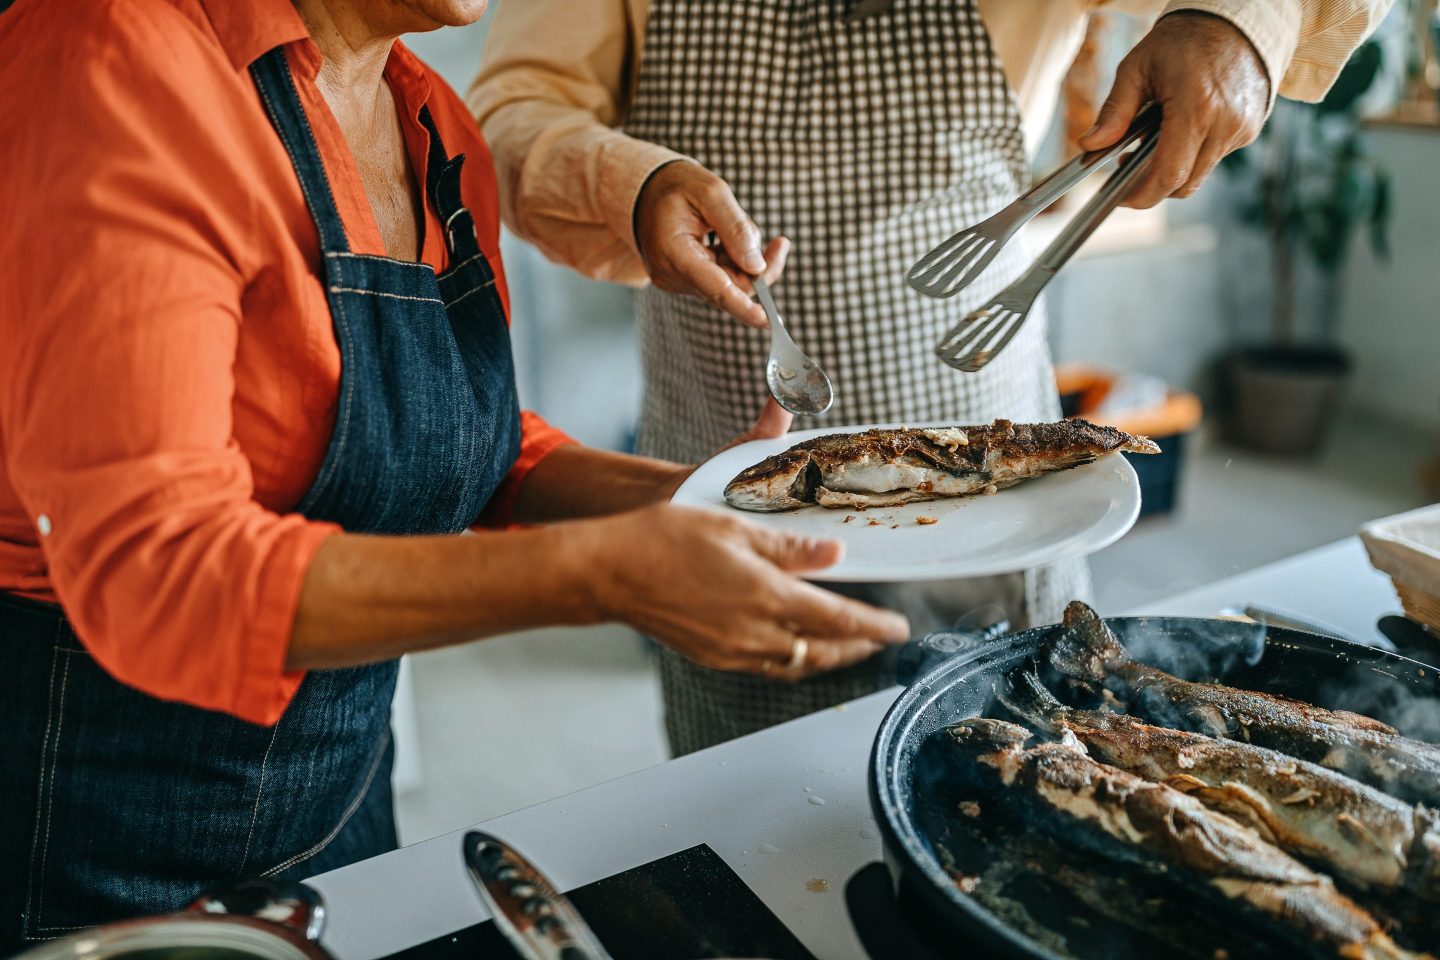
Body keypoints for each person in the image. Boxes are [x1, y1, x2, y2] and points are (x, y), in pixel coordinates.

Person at [0, 0, 912, 948]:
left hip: (339, 809)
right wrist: (604, 575)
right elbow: (156, 569)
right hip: (87, 819)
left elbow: (466, 443)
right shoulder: (111, 57)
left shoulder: (436, 126)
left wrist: (706, 498)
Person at [470, 0, 1390, 755]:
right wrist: (631, 185)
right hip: (729, 437)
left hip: (992, 468)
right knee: (754, 795)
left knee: (1022, 757)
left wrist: (1237, 23)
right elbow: (509, 116)